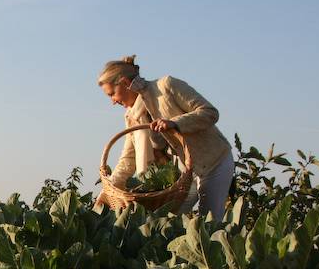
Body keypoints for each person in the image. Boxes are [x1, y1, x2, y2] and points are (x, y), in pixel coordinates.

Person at [96, 55, 234, 220]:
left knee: (209, 223)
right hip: (183, 177)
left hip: (212, 163)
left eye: (112, 94)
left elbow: (210, 112)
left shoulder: (166, 86)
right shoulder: (131, 116)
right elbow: (128, 158)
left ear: (125, 83)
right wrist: (108, 189)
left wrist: (175, 123)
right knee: (164, 221)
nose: (112, 101)